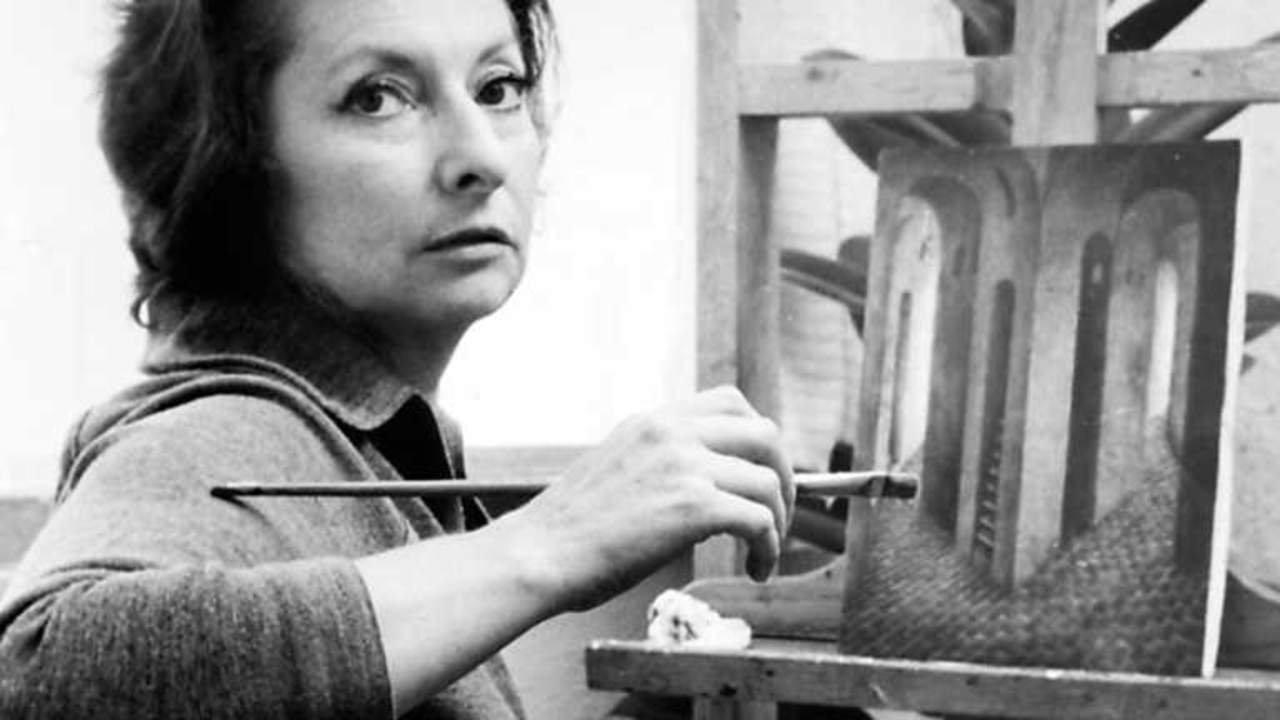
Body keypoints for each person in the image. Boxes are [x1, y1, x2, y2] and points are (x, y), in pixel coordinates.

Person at [0, 0, 795, 718]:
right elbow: (34, 673)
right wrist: (554, 540)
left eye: (499, 88)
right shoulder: (226, 429)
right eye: (378, 97)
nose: (481, 157)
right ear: (228, 161)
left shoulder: (359, 438)